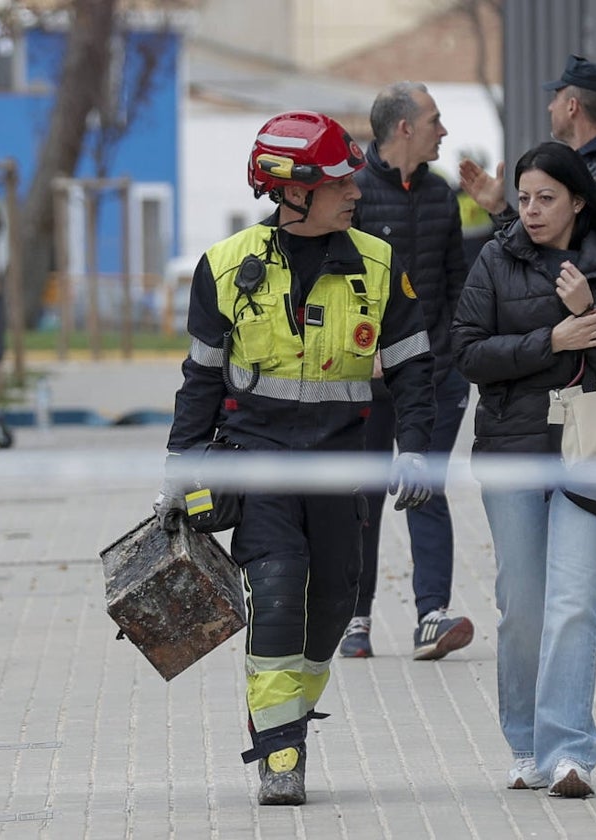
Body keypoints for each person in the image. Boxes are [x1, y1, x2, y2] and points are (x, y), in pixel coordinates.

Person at [152, 111, 436, 806]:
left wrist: (419, 453)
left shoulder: (377, 264)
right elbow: (200, 381)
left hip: (343, 467)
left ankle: (282, 710)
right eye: (341, 181)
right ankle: (281, 753)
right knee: (277, 594)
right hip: (259, 460)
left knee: (335, 604)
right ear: (294, 189)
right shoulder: (222, 269)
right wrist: (180, 470)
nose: (357, 191)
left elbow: (413, 371)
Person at [451, 141, 596, 797]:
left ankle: (569, 753)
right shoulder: (494, 261)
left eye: (546, 199)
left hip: (589, 454)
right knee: (523, 608)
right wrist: (552, 340)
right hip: (512, 452)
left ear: (578, 203)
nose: (531, 212)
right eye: (525, 197)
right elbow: (469, 354)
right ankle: (525, 745)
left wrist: (585, 316)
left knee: (573, 601)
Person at [458, 54, 596, 651]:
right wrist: (508, 212)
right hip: (537, 387)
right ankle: (591, 603)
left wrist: (587, 309)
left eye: (557, 97)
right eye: (525, 199)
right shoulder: (530, 210)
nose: (550, 105)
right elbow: (524, 262)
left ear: (573, 104)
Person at [338, 81, 474, 661]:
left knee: (427, 487)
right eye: (435, 120)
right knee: (361, 497)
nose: (443, 130)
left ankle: (431, 617)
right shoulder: (353, 195)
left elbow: (456, 286)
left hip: (434, 374)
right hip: (364, 378)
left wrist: (453, 357)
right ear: (404, 128)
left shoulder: (443, 196)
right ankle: (354, 619)